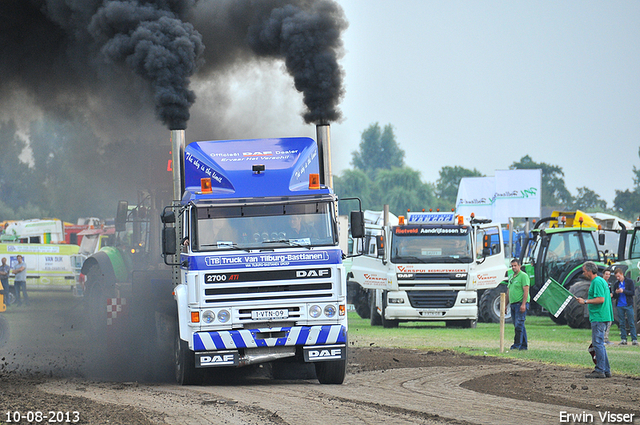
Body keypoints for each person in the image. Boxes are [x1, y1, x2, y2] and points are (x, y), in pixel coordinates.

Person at [576, 261, 614, 378]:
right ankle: (606, 370)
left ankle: (600, 370)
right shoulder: (601, 281)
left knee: (598, 344)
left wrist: (585, 301)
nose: (583, 273)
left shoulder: (596, 282)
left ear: (589, 271)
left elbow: (600, 299)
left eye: (584, 271)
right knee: (600, 344)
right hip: (603, 316)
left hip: (599, 317)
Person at [504, 258, 530, 350]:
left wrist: (523, 304)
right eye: (512, 266)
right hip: (513, 304)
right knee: (518, 325)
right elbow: (508, 291)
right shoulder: (511, 277)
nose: (513, 267)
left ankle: (516, 345)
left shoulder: (523, 276)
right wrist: (505, 305)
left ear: (519, 266)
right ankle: (523, 346)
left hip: (520, 304)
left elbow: (526, 290)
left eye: (515, 265)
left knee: (519, 324)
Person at [612, 268, 637, 346]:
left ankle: (634, 339)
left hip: (628, 305)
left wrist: (623, 291)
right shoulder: (616, 284)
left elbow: (632, 292)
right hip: (620, 305)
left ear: (622, 274)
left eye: (618, 276)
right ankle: (623, 339)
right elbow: (615, 296)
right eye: (616, 277)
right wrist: (616, 293)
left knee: (631, 322)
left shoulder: (629, 282)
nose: (618, 278)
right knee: (621, 323)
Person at [601, 269, 614, 345]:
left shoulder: (608, 284)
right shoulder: (601, 283)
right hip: (603, 305)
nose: (608, 276)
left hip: (608, 304)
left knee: (609, 321)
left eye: (609, 274)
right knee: (603, 322)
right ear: (603, 274)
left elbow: (610, 293)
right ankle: (602, 339)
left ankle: (606, 338)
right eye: (606, 274)